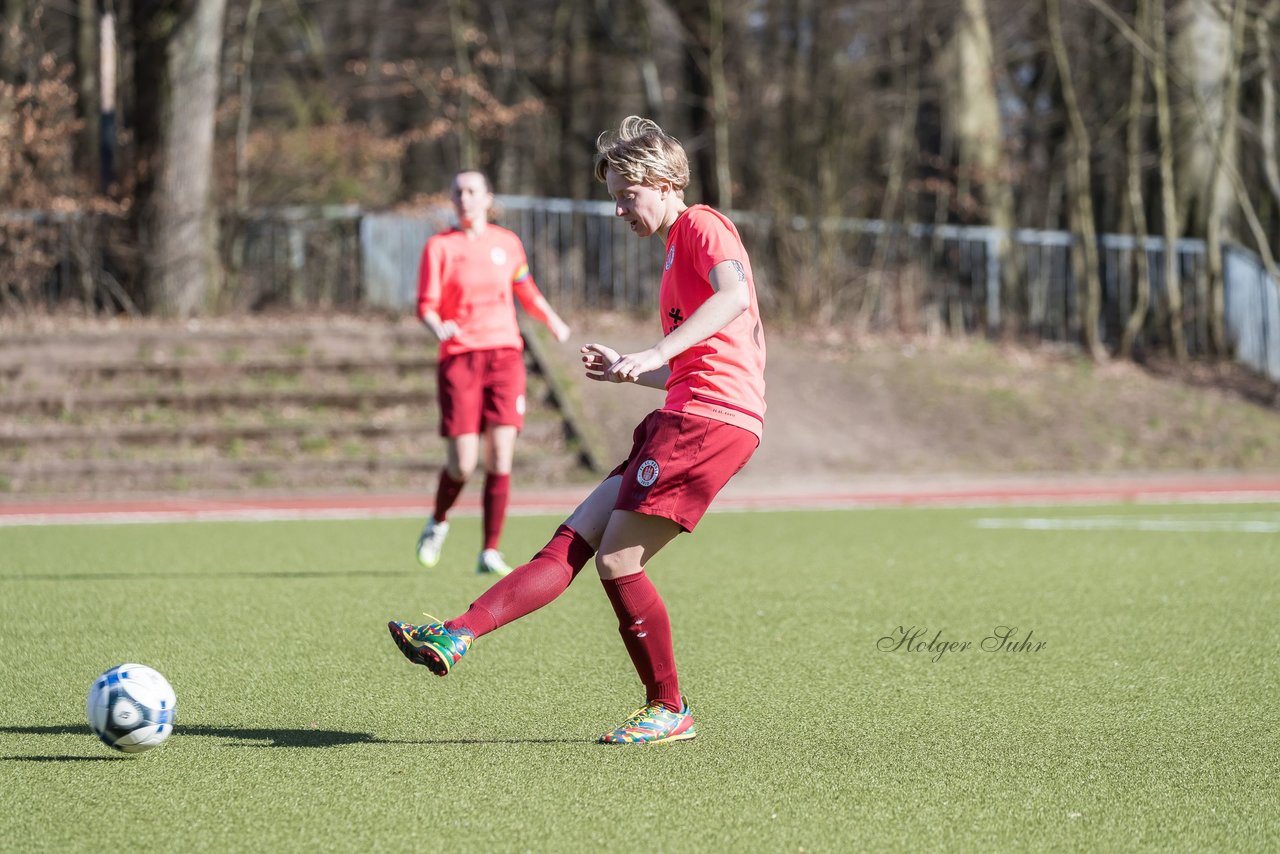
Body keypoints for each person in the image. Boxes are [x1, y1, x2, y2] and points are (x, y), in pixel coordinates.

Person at [389, 117, 766, 745]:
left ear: (665, 181)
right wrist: (631, 371)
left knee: (619, 560)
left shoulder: (702, 223)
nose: (618, 208)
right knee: (572, 541)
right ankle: (457, 632)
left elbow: (733, 297)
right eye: (613, 196)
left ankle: (669, 708)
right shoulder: (676, 249)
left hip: (708, 421)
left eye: (627, 194)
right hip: (685, 410)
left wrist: (649, 352)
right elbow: (697, 361)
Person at [414, 170, 572, 576]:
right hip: (460, 357)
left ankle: (490, 550)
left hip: (504, 356)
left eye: (472, 191)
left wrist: (552, 320)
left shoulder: (507, 243)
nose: (464, 198)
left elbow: (526, 289)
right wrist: (437, 325)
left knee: (501, 455)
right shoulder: (439, 247)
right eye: (457, 192)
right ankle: (438, 522)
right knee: (463, 464)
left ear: (488, 198)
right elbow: (426, 304)